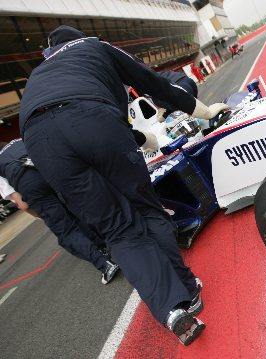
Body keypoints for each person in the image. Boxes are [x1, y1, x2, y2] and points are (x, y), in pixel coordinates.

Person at [19, 25, 227, 345]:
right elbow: (155, 86)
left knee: (116, 229)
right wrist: (205, 110)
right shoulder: (94, 46)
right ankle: (188, 290)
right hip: (92, 117)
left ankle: (171, 309)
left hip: (39, 141)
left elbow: (71, 115)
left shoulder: (40, 75)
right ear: (78, 37)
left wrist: (138, 138)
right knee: (146, 207)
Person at [0, 139, 120, 284]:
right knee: (77, 208)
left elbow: (22, 204)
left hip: (29, 183)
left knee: (65, 231)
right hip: (52, 167)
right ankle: (104, 242)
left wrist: (39, 212)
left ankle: (104, 264)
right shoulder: (20, 140)